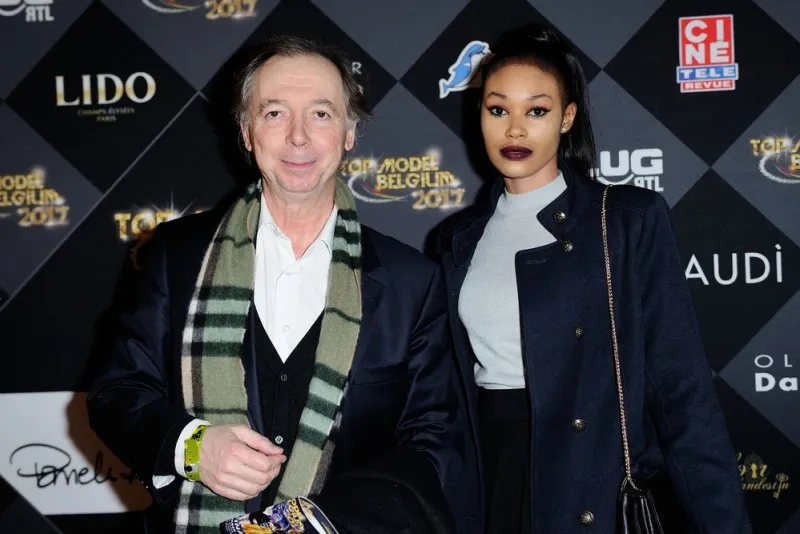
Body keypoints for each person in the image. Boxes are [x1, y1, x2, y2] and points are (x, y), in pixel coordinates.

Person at [87, 34, 467, 534]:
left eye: (321, 114)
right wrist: (194, 446)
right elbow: (117, 393)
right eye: (274, 113)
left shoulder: (410, 283)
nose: (298, 137)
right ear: (246, 132)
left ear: (349, 133)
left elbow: (431, 443)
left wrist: (320, 522)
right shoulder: (175, 255)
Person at [436, 23, 752, 533]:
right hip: (492, 480)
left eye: (536, 110)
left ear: (567, 118)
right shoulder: (459, 238)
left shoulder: (625, 218)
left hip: (587, 482)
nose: (515, 129)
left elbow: (682, 392)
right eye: (499, 109)